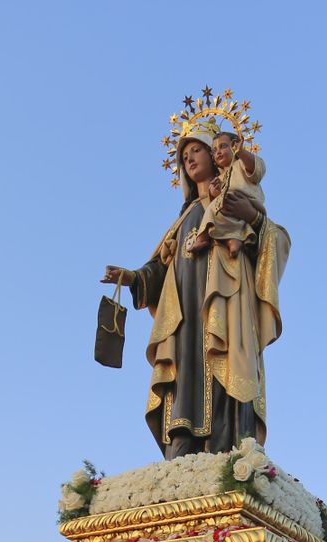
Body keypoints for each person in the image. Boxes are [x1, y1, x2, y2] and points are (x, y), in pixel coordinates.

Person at [102, 130, 289, 457]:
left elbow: (276, 240)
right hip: (185, 313)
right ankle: (183, 453)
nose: (188, 159)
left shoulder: (235, 196)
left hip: (226, 301)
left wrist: (253, 217)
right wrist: (133, 277)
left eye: (196, 151)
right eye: (183, 155)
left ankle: (230, 451)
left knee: (228, 364)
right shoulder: (185, 218)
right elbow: (160, 267)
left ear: (218, 155)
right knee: (185, 372)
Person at [185, 129, 266, 260]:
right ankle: (231, 240)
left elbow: (256, 168)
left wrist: (242, 152)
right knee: (215, 209)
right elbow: (218, 194)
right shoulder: (221, 177)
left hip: (248, 200)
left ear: (234, 145)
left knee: (214, 208)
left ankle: (203, 237)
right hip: (227, 203)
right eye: (214, 150)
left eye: (223, 146)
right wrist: (213, 192)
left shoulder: (241, 165)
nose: (218, 152)